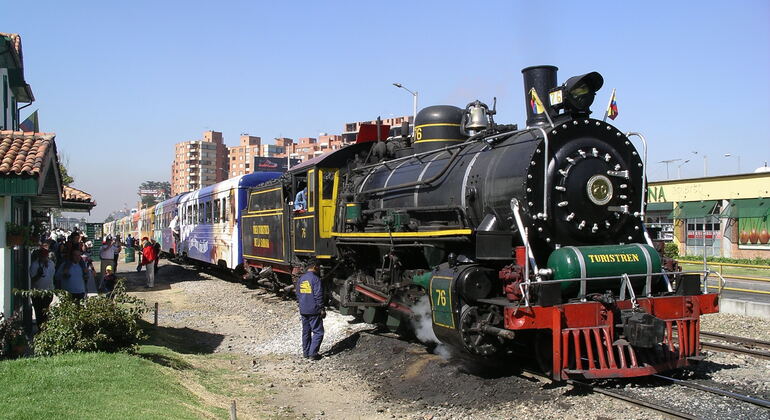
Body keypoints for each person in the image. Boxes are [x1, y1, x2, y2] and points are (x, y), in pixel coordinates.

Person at [296, 259, 324, 360]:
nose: (319, 269)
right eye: (319, 267)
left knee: (306, 331)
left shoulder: (301, 278)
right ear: (315, 266)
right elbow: (318, 295)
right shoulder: (316, 279)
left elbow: (298, 294)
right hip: (314, 310)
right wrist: (321, 308)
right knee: (318, 332)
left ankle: (306, 353)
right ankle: (313, 354)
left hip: (303, 309)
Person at [30, 248, 55, 326]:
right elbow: (33, 280)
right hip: (37, 293)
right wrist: (38, 274)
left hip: (48, 292)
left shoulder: (51, 263)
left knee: (46, 312)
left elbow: (52, 276)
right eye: (43, 256)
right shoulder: (34, 265)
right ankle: (40, 328)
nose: (44, 258)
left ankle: (45, 329)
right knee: (38, 312)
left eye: (45, 256)